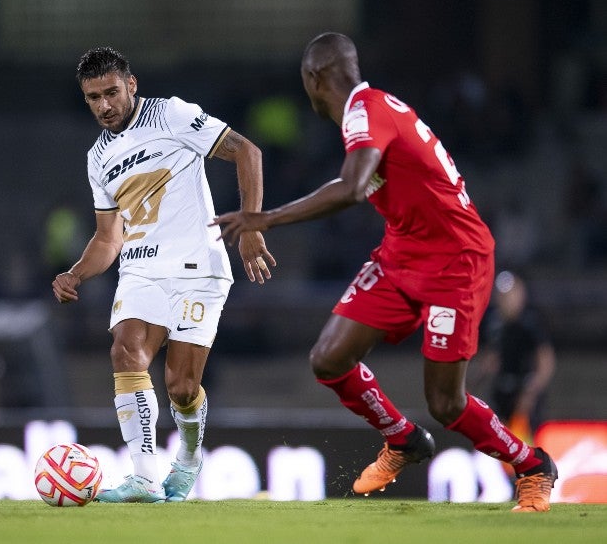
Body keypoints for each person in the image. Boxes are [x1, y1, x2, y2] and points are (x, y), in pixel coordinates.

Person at [212, 33, 557, 512]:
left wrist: (265, 218)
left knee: (446, 404)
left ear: (313, 80)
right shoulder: (372, 110)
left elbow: (352, 187)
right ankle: (403, 439)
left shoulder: (365, 111)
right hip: (403, 251)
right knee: (328, 358)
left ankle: (531, 465)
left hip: (456, 261)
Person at [52, 46, 274, 503]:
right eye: (93, 97)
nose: (104, 106)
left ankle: (189, 458)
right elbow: (108, 239)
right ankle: (144, 477)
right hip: (140, 272)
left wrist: (251, 225)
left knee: (181, 387)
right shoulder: (98, 158)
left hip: (198, 268)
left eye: (111, 92)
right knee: (125, 349)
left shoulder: (170, 115)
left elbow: (246, 151)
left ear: (131, 85)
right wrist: (75, 273)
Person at [476, 270, 556, 443]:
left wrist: (532, 390)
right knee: (498, 442)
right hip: (501, 391)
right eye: (502, 295)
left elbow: (545, 360)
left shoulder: (531, 322)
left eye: (511, 294)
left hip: (524, 392)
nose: (506, 300)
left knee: (524, 443)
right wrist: (474, 381)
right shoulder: (494, 323)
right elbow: (492, 356)